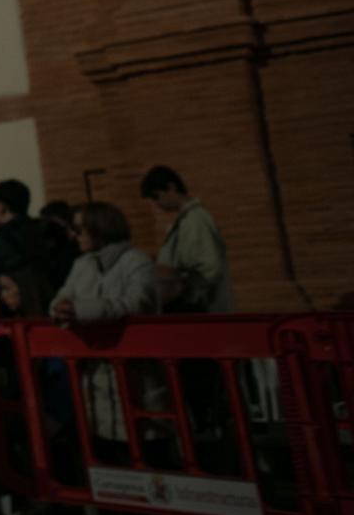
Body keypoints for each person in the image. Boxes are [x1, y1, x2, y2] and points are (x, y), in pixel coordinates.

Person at [49, 202, 161, 462]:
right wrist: (61, 309)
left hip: (136, 376)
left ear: (100, 228)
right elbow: (59, 300)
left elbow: (136, 304)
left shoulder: (136, 261)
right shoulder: (83, 265)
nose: (72, 236)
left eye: (78, 229)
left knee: (147, 457)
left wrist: (79, 311)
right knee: (108, 459)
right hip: (97, 380)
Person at [140, 166, 233, 313]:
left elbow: (209, 269)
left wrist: (175, 282)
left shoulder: (195, 219)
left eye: (156, 196)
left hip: (201, 311)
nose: (156, 204)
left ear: (171, 187)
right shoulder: (186, 221)